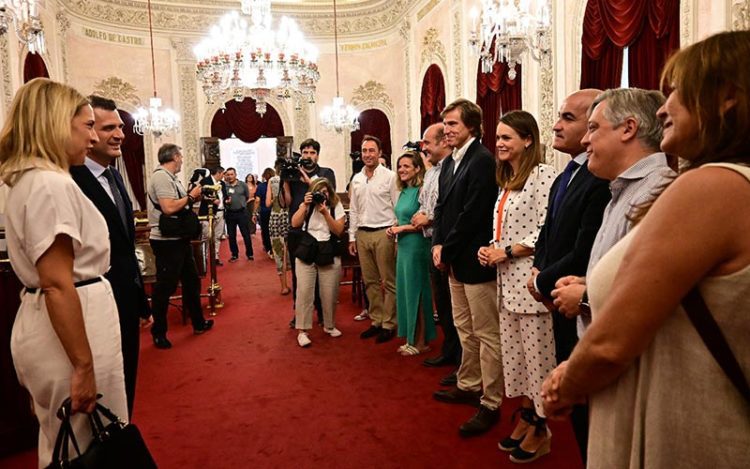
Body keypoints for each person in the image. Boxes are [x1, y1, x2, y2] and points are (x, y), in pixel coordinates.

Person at [542, 30, 750, 469]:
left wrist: (565, 382)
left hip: (688, 424)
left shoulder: (713, 185)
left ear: (727, 98)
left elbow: (612, 343)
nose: (662, 107)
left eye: (676, 92)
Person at [1, 78, 129, 466]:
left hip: (65, 319)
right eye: (88, 125)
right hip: (72, 325)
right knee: (84, 448)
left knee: (69, 443)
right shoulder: (49, 184)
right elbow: (58, 284)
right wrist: (83, 365)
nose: (93, 137)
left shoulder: (37, 179)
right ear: (58, 123)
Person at [526, 89, 610, 461]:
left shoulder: (601, 178)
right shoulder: (568, 175)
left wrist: (542, 281)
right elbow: (548, 230)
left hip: (583, 301)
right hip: (561, 296)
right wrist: (538, 271)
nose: (556, 126)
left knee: (591, 407)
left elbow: (584, 249)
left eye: (569, 119)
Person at [551, 88, 673, 337]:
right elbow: (628, 272)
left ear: (628, 128)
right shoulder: (623, 188)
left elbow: (653, 294)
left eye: (593, 128)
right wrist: (589, 283)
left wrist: (585, 299)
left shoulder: (658, 191)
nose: (585, 140)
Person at [477, 111, 557, 463]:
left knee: (538, 361)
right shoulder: (508, 178)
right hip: (505, 282)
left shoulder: (543, 176)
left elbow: (544, 231)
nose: (500, 143)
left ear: (528, 140)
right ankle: (526, 416)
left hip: (529, 283)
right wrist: (490, 248)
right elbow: (505, 229)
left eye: (507, 137)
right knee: (518, 361)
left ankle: (542, 428)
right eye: (497, 138)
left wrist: (505, 251)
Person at [69, 95, 150, 418]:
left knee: (123, 385)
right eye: (106, 128)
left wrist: (140, 299)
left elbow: (125, 246)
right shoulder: (70, 179)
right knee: (96, 400)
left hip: (124, 301)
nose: (120, 134)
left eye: (120, 126)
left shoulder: (115, 175)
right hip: (91, 305)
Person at [431, 99, 503, 438]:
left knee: (486, 333)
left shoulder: (483, 160)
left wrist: (447, 246)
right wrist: (436, 244)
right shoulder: (449, 163)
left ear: (472, 126)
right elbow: (443, 207)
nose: (447, 130)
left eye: (453, 124)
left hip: (474, 260)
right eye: (445, 125)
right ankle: (469, 383)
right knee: (463, 327)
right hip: (453, 259)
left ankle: (491, 401)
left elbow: (473, 215)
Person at [147, 144, 214, 349]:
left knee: (192, 282)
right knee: (165, 287)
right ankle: (158, 332)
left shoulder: (171, 178)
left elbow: (180, 204)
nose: (182, 160)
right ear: (174, 157)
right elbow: (168, 208)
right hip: (166, 241)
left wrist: (194, 197)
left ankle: (198, 322)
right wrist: (192, 196)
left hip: (178, 238)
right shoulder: (161, 177)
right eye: (181, 156)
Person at [413, 123, 462, 380]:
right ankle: (449, 349)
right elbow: (427, 202)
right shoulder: (432, 172)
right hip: (433, 244)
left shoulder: (454, 168)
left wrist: (429, 220)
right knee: (442, 304)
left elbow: (450, 211)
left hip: (448, 245)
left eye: (427, 142)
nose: (423, 148)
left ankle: (462, 360)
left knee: (457, 309)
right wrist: (422, 215)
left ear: (444, 142)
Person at [348, 135, 400, 343]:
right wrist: (352, 237)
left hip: (384, 232)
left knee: (388, 282)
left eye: (371, 150)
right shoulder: (357, 178)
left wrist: (396, 237)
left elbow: (397, 207)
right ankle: (376, 320)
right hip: (362, 233)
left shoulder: (390, 177)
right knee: (369, 282)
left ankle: (389, 323)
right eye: (364, 151)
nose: (367, 154)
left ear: (379, 153)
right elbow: (353, 209)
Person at [388, 150, 436, 356]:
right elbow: (405, 217)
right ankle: (411, 338)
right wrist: (395, 226)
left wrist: (401, 229)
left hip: (417, 246)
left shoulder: (421, 190)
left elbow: (424, 221)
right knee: (406, 292)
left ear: (418, 168)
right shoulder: (405, 191)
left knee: (418, 292)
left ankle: (421, 341)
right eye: (400, 166)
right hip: (404, 247)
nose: (402, 170)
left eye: (407, 166)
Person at [285, 139, 335, 328]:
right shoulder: (293, 175)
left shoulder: (325, 173)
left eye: (312, 153)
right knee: (299, 278)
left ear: (317, 155)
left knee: (322, 274)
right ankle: (299, 315)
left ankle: (323, 313)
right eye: (305, 153)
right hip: (298, 230)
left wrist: (307, 179)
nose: (308, 156)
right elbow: (287, 202)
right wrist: (286, 180)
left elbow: (328, 196)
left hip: (321, 231)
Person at [290, 178, 346, 347]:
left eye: (324, 192)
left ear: (329, 192)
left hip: (329, 251)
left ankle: (329, 325)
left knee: (329, 293)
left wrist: (325, 213)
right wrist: (305, 205)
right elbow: (295, 223)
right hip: (308, 251)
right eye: (318, 192)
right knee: (304, 293)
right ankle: (302, 330)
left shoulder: (336, 206)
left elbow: (338, 230)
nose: (321, 195)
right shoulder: (306, 205)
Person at [266, 159, 291, 295]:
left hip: (275, 218)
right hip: (289, 216)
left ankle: (283, 286)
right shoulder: (289, 180)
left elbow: (267, 203)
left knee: (278, 250)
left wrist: (275, 198)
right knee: (292, 249)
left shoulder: (271, 181)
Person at [223, 167, 254, 261]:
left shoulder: (243, 185)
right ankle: (234, 254)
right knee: (231, 236)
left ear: (235, 175)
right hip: (230, 213)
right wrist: (226, 202)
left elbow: (247, 196)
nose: (230, 176)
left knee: (246, 234)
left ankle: (250, 254)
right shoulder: (224, 186)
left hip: (242, 212)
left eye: (232, 174)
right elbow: (223, 199)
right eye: (228, 175)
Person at [198, 166, 226, 266]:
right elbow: (200, 195)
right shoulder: (205, 181)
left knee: (217, 236)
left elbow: (224, 195)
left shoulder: (222, 183)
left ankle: (216, 257)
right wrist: (212, 200)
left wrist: (226, 200)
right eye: (223, 174)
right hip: (207, 213)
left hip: (221, 212)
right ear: (218, 173)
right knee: (206, 237)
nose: (224, 176)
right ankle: (204, 259)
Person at [256, 168, 274, 256]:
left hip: (264, 211)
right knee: (275, 229)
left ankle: (268, 247)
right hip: (275, 210)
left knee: (265, 230)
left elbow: (257, 200)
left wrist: (254, 212)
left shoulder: (261, 186)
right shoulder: (276, 185)